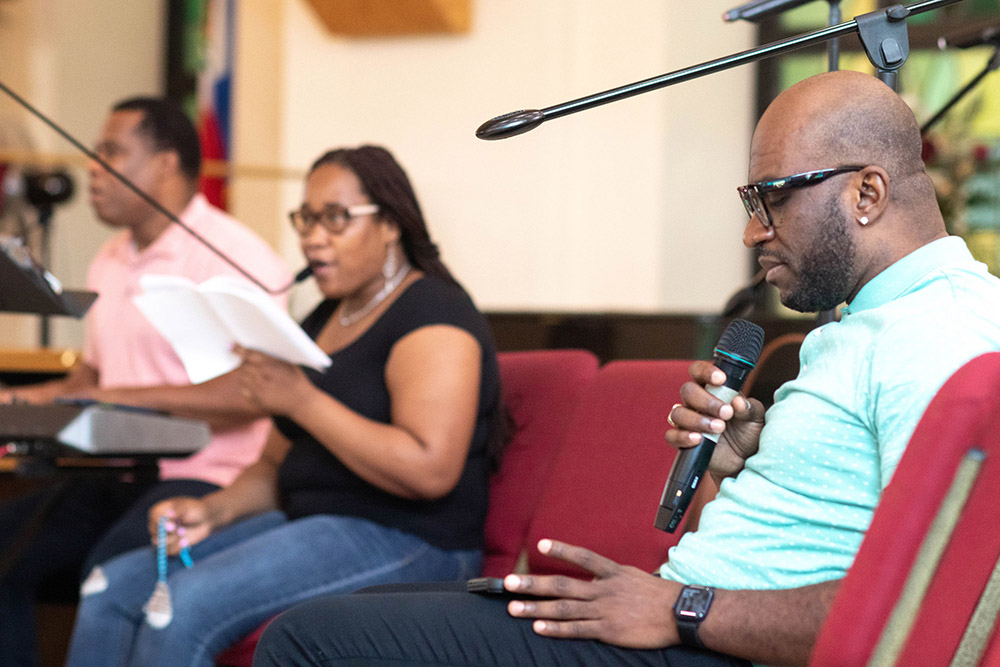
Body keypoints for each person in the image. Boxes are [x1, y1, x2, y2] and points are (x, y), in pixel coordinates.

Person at [252, 70, 1000, 667]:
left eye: (770, 200)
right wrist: (732, 470)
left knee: (308, 641)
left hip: (702, 638)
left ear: (866, 193)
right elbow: (788, 544)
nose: (751, 233)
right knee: (374, 618)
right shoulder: (867, 322)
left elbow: (936, 605)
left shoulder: (945, 333)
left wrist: (682, 610)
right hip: (695, 619)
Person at [64, 144, 505, 667]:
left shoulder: (433, 313)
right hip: (309, 523)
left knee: (178, 606)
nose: (314, 238)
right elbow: (276, 463)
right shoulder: (323, 319)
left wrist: (300, 398)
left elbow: (430, 469)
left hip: (410, 539)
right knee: (109, 588)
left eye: (336, 219)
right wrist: (213, 509)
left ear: (390, 223)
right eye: (307, 219)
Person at [0, 96, 291, 667]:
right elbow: (93, 375)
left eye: (111, 152)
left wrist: (112, 397)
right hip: (115, 472)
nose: (92, 167)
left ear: (166, 163)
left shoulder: (233, 258)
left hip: (206, 479)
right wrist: (19, 403)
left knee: (108, 575)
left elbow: (254, 394)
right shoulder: (110, 256)